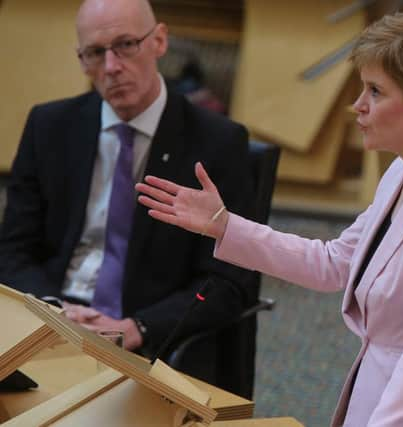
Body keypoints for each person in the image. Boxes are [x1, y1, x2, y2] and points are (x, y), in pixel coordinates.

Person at [137, 9, 403, 427]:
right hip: (382, 396)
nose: (357, 106)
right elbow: (334, 262)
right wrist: (226, 225)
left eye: (375, 92)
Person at [0, 0, 255, 395]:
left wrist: (137, 327)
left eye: (125, 45)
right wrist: (54, 309)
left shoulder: (219, 143)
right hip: (50, 319)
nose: (112, 67)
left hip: (145, 337)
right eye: (95, 53)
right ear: (81, 60)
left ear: (160, 41)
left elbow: (227, 282)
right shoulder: (49, 126)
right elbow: (13, 248)